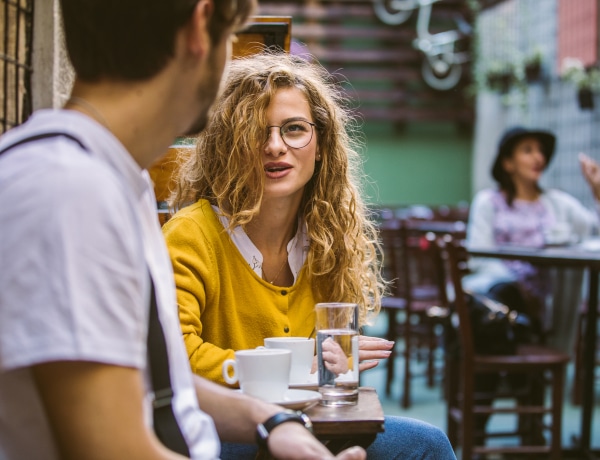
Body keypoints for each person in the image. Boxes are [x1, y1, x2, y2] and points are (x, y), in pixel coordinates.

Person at [0, 2, 368, 459]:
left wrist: (270, 421)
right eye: (231, 37)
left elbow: (162, 382)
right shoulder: (71, 191)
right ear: (201, 25)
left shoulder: (111, 179)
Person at [162, 52, 456, 460]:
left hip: (309, 425)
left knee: (428, 445)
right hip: (219, 429)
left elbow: (326, 373)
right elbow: (176, 357)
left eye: (294, 129)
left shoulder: (325, 239)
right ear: (228, 144)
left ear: (320, 146)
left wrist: (336, 364)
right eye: (253, 131)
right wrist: (301, 367)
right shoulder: (192, 233)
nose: (274, 146)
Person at [464, 125, 600, 445]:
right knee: (501, 309)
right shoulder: (489, 202)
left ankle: (489, 430)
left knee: (500, 327)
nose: (538, 157)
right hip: (497, 302)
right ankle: (530, 428)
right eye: (527, 150)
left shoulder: (559, 204)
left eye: (540, 151)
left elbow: (594, 232)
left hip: (543, 310)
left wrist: (597, 190)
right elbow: (477, 257)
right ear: (508, 162)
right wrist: (514, 282)